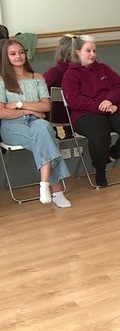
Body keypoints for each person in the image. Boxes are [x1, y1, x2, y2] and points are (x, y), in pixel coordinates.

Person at [62, 35, 120, 187]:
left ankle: (109, 157)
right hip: (85, 114)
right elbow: (75, 101)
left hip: (111, 108)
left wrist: (109, 101)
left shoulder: (103, 68)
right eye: (88, 50)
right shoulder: (70, 75)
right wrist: (102, 105)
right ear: (78, 52)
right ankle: (100, 170)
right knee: (100, 135)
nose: (92, 54)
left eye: (94, 50)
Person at [0, 39, 71, 207]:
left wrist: (18, 105)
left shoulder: (37, 77)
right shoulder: (2, 80)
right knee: (45, 135)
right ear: (6, 57)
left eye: (21, 52)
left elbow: (46, 106)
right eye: (13, 53)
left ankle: (44, 184)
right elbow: (2, 112)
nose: (18, 56)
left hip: (37, 123)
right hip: (12, 126)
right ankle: (56, 189)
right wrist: (30, 110)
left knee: (44, 127)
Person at [44, 34, 76, 139]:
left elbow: (42, 89)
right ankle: (69, 135)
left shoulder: (54, 72)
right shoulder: (83, 72)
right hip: (76, 114)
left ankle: (54, 137)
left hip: (55, 115)